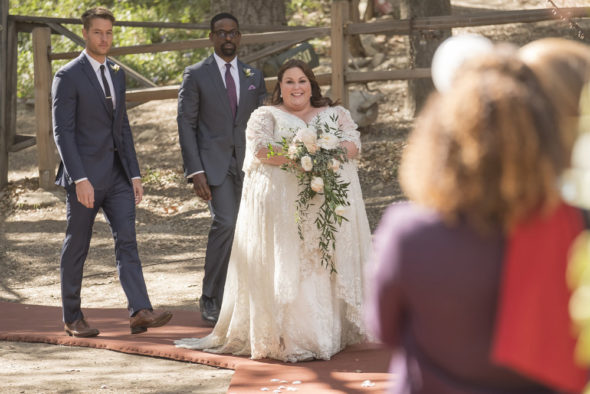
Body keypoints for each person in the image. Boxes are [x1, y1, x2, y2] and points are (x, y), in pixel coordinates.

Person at [366, 47, 590, 393]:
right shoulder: (575, 227)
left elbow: (384, 329)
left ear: (441, 139)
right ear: (545, 137)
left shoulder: (407, 233)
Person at [175, 59, 372, 362]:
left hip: (324, 206)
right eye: (289, 81)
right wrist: (300, 155)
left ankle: (326, 334)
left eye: (302, 81)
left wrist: (321, 153)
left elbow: (352, 146)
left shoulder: (335, 113)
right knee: (291, 264)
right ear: (279, 87)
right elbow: (260, 150)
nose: (296, 87)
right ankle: (292, 336)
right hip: (285, 208)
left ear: (311, 84)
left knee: (320, 263)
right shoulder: (265, 115)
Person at [52, 7, 172, 337]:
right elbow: (62, 131)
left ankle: (140, 311)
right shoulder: (68, 75)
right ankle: (72, 316)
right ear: (85, 34)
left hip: (118, 177)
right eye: (97, 32)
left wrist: (134, 174)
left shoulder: (117, 73)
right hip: (85, 179)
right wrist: (80, 179)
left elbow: (123, 128)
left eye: (108, 33)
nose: (104, 38)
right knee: (78, 245)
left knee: (128, 242)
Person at [177, 12, 266, 324]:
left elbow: (263, 122)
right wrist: (195, 171)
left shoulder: (254, 76)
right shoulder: (196, 74)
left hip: (251, 166)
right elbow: (186, 125)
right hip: (213, 166)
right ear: (212, 37)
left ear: (239, 37)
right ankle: (210, 296)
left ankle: (241, 296)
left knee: (250, 230)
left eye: (233, 33)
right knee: (226, 223)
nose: (227, 38)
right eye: (221, 33)